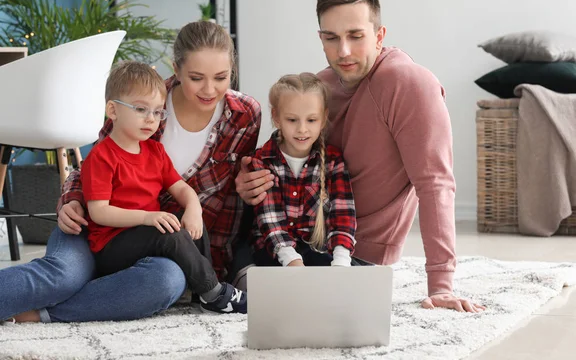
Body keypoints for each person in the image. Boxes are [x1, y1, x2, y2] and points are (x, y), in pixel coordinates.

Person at [235, 0, 485, 312]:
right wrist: (247, 181)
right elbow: (278, 155)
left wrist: (441, 285)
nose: (344, 52)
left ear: (380, 35)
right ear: (320, 38)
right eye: (331, 38)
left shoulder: (410, 84)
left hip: (350, 249)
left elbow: (435, 183)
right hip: (287, 233)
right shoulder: (319, 86)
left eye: (356, 36)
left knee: (304, 305)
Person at [1, 20, 260, 323]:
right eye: (196, 77)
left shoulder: (244, 116)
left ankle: (44, 312)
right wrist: (71, 199)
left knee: (166, 281)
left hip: (161, 247)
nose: (209, 89)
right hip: (94, 228)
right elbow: (97, 164)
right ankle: (90, 291)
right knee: (65, 276)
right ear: (176, 70)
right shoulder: (141, 100)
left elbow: (227, 200)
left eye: (221, 77)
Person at [81, 61, 246, 314]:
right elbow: (99, 212)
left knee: (191, 222)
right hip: (110, 246)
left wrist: (193, 208)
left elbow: (181, 188)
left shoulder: (154, 151)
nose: (151, 119)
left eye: (158, 112)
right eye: (140, 109)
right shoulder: (102, 156)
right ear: (113, 110)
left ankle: (200, 293)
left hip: (145, 236)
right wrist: (148, 217)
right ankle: (214, 292)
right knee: (167, 231)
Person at [250, 73, 356, 268]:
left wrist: (341, 260)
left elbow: (343, 213)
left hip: (316, 249)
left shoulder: (333, 161)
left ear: (323, 119)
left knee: (349, 280)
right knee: (270, 285)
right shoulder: (263, 160)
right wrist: (291, 259)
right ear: (276, 117)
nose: (302, 129)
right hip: (273, 250)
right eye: (292, 120)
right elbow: (269, 218)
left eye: (311, 120)